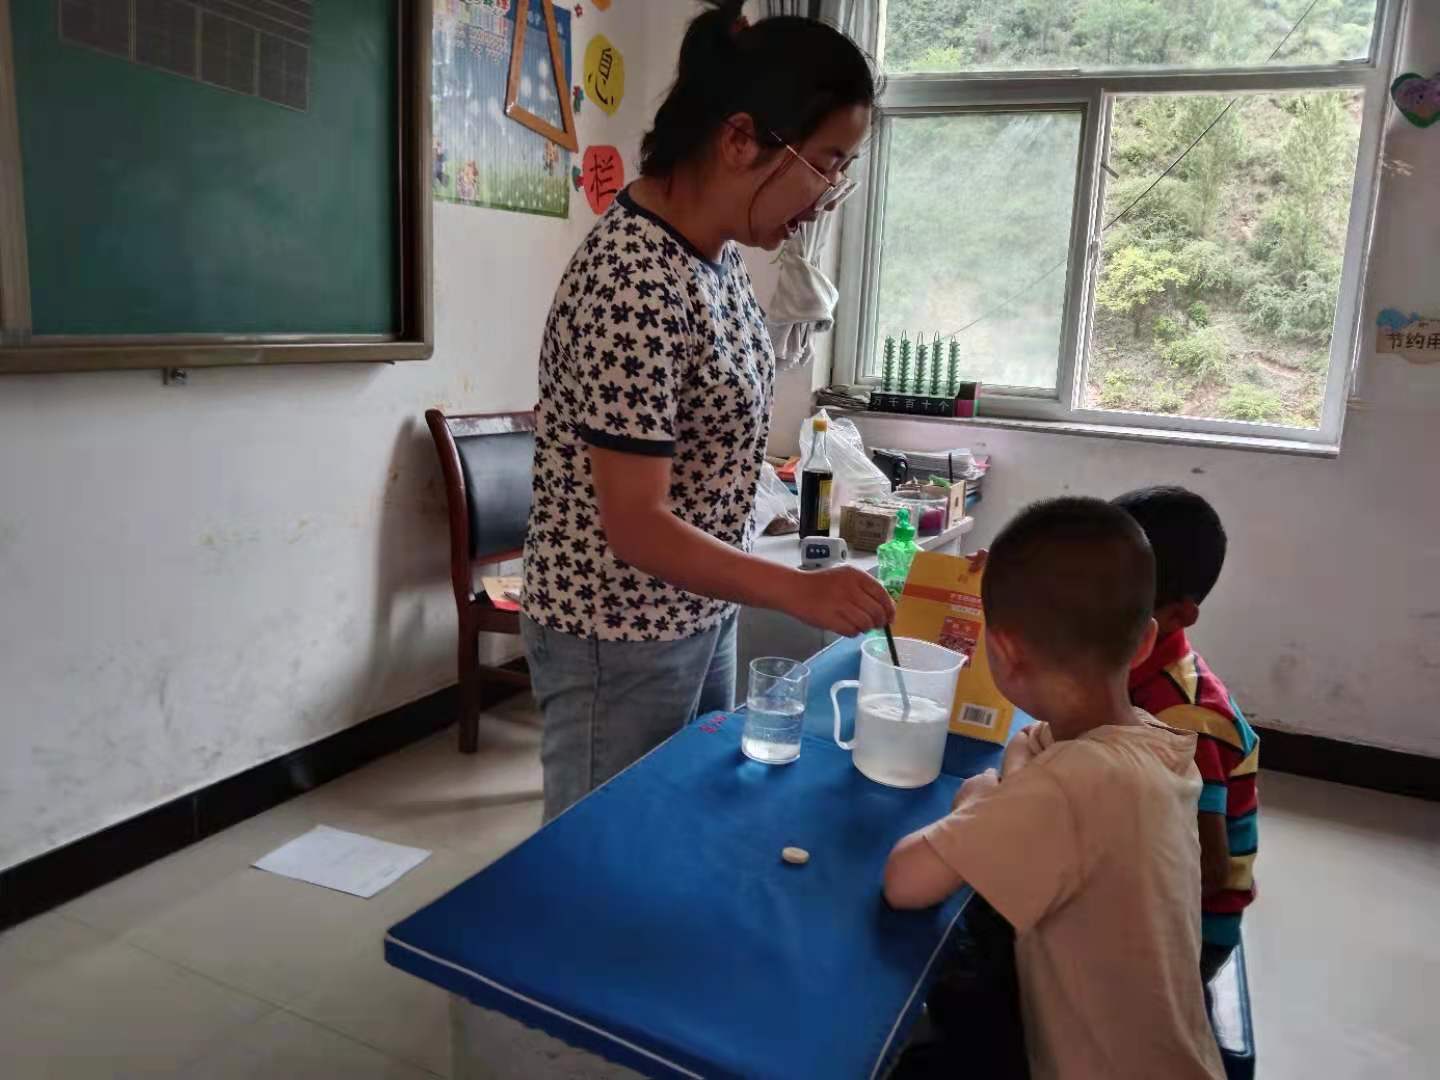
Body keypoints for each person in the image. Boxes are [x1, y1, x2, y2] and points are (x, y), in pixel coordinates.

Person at [522, 1, 892, 820]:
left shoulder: (715, 261)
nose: (828, 195)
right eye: (825, 163)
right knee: (604, 848)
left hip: (696, 609)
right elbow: (637, 525)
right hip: (615, 630)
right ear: (740, 140)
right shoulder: (633, 279)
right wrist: (795, 591)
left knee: (681, 821)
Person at [884, 498, 1225, 1080]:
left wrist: (977, 802)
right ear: (1146, 641)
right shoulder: (1158, 743)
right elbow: (1031, 748)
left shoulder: (1073, 783)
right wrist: (1008, 789)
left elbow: (905, 881)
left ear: (1004, 651)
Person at [1114, 485, 1259, 990]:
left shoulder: (1181, 715)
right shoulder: (1133, 662)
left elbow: (1209, 871)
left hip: (1188, 935)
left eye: (1110, 598)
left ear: (1176, 614)